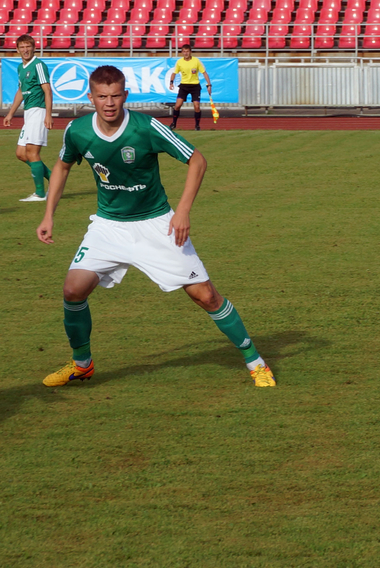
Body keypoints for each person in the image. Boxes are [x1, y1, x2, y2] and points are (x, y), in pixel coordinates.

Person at [35, 64, 276, 390]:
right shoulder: (77, 131)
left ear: (126, 96)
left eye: (116, 96)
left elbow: (197, 160)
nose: (109, 103)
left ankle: (255, 361)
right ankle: (82, 365)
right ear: (90, 96)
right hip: (108, 226)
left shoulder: (146, 127)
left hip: (157, 224)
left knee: (205, 296)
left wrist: (183, 212)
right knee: (72, 290)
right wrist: (49, 214)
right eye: (102, 96)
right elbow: (62, 166)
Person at [1, 34, 53, 202]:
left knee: (32, 152)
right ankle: (55, 179)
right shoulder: (20, 68)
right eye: (22, 47)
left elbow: (47, 90)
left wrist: (48, 114)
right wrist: (10, 113)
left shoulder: (38, 65)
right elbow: (20, 92)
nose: (25, 50)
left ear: (34, 48)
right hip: (28, 113)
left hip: (38, 111)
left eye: (28, 46)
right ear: (17, 49)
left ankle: (39, 193)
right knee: (21, 153)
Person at [166, 43, 212, 131]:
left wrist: (209, 85)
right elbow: (174, 73)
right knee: (178, 105)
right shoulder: (179, 62)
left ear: (190, 52)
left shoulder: (196, 61)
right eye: (184, 52)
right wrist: (171, 82)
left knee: (197, 106)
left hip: (195, 86)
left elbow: (204, 73)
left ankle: (197, 125)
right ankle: (174, 123)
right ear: (182, 52)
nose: (186, 53)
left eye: (187, 51)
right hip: (184, 85)